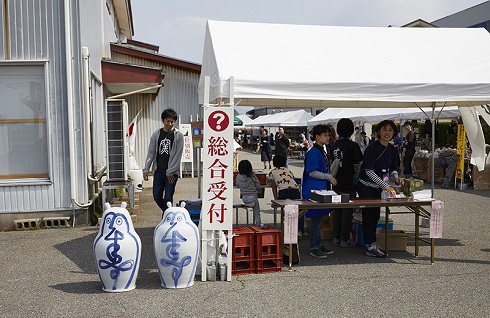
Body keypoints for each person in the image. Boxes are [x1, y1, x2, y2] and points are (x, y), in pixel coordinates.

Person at [357, 120, 403, 258]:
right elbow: (369, 171)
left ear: (394, 133)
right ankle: (370, 245)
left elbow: (394, 168)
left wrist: (395, 178)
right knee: (369, 215)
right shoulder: (372, 148)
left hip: (378, 187)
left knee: (376, 215)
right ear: (378, 132)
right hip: (366, 186)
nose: (387, 133)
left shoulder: (392, 149)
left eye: (390, 130)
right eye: (384, 130)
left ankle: (371, 243)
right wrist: (386, 186)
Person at [302, 124, 337, 258]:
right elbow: (311, 172)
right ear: (317, 136)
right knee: (316, 220)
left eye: (328, 135)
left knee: (319, 219)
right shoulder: (313, 152)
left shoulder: (320, 150)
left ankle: (317, 243)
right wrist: (328, 176)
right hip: (314, 190)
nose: (328, 137)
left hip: (320, 189)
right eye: (325, 135)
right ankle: (314, 246)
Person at [143, 108, 184, 214]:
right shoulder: (156, 134)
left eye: (172, 121)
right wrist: (146, 169)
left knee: (168, 197)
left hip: (171, 173)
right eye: (167, 121)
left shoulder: (178, 136)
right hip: (158, 171)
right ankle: (169, 213)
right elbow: (151, 153)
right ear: (163, 121)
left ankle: (167, 218)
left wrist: (170, 171)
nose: (170, 123)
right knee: (156, 196)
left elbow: (177, 156)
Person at [331, 118, 363, 248]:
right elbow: (359, 164)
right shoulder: (353, 146)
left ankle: (336, 237)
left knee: (337, 211)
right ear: (351, 131)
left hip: (336, 182)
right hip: (349, 183)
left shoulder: (334, 145)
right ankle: (345, 239)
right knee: (347, 212)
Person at [236, 159, 262, 225]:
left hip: (244, 198)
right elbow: (258, 185)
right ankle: (258, 226)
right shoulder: (252, 176)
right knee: (257, 214)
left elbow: (237, 185)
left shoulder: (238, 176)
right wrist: (259, 191)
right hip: (253, 197)